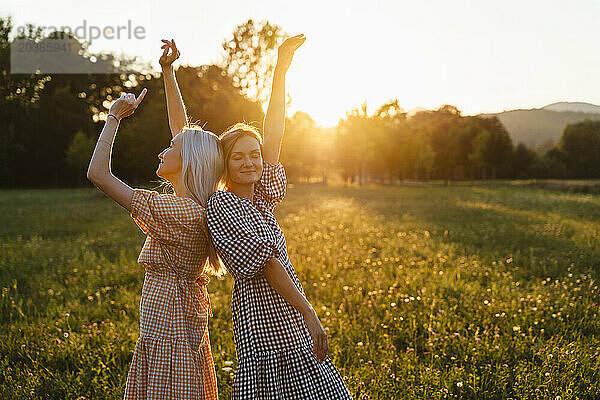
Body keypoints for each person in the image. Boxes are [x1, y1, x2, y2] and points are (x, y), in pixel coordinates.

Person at [203, 35, 352, 399]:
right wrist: (310, 313)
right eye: (238, 157)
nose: (250, 162)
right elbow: (268, 264)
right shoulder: (222, 206)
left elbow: (274, 129)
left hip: (288, 313)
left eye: (254, 155)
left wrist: (281, 68)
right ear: (225, 163)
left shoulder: (263, 199)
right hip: (264, 318)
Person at [86, 86, 224, 399]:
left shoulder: (181, 212)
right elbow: (183, 133)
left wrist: (113, 118)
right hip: (170, 321)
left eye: (169, 148)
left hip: (168, 326)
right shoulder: (194, 206)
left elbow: (98, 174)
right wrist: (168, 72)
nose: (161, 152)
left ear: (188, 160)